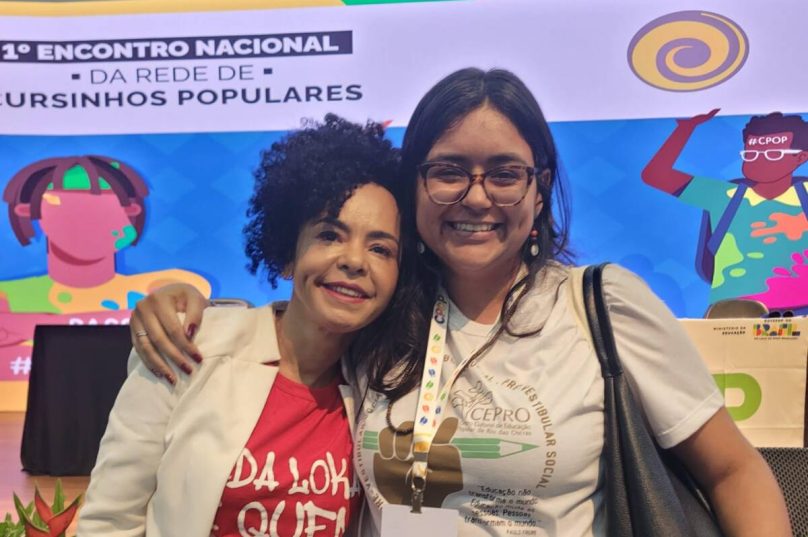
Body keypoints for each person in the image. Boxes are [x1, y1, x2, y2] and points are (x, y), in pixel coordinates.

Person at [132, 69, 791, 536]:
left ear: (539, 192)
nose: (477, 197)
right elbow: (288, 326)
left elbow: (734, 470)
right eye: (449, 170)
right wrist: (181, 300)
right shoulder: (383, 316)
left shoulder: (602, 305)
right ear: (412, 184)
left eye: (504, 173)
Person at [77, 114, 418, 536]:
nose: (353, 260)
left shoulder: (388, 390)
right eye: (330, 235)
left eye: (381, 248)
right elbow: (108, 522)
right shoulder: (189, 345)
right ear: (288, 255)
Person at [642, 110, 808, 315]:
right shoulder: (723, 195)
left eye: (773, 154)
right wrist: (684, 129)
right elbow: (656, 174)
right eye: (751, 154)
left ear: (801, 157)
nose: (758, 161)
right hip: (732, 316)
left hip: (802, 314)